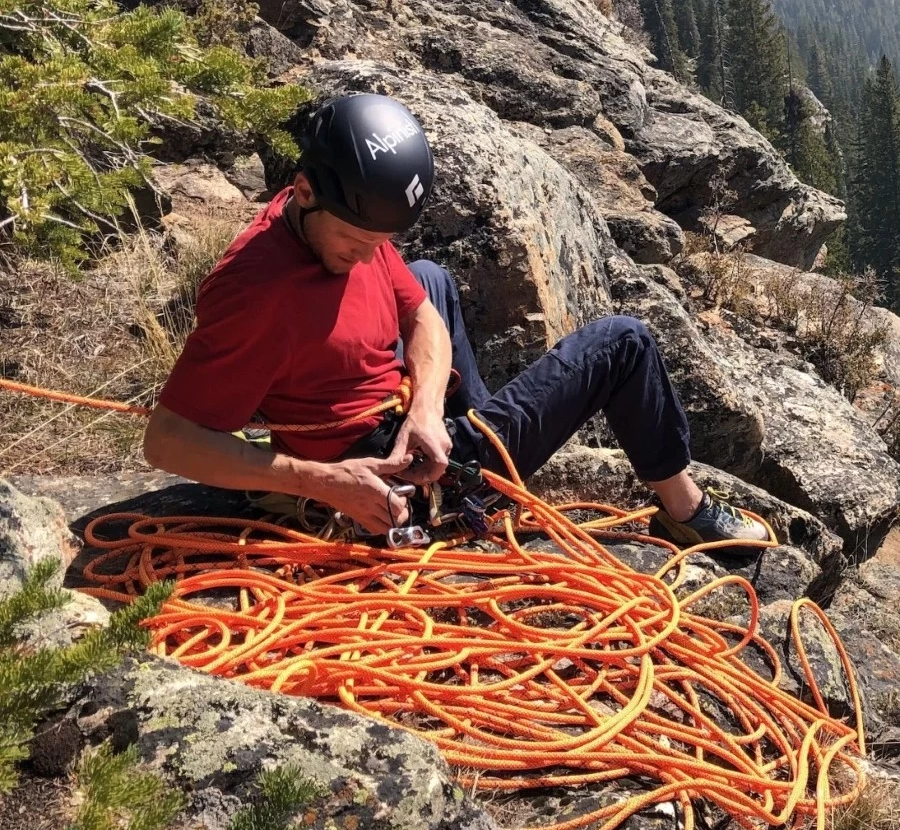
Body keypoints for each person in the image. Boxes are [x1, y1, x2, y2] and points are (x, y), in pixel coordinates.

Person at [143, 93, 768, 550]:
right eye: (356, 242)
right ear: (305, 191)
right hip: (384, 480)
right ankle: (683, 512)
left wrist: (423, 411)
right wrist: (326, 482)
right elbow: (168, 439)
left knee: (430, 278)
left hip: (404, 427)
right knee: (623, 342)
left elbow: (419, 311)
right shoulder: (254, 294)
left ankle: (473, 449)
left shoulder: (319, 215)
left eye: (377, 243)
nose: (366, 256)